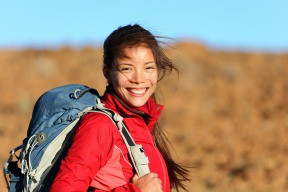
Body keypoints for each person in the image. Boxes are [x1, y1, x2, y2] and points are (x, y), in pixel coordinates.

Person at [50, 24, 189, 192]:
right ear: (107, 72)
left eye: (148, 68)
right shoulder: (99, 126)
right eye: (127, 68)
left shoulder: (139, 124)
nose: (139, 79)